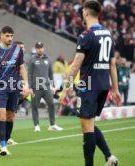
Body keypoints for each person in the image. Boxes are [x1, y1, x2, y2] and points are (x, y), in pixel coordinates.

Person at [59, 1, 121, 166]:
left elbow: (76, 65)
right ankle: (109, 157)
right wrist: (115, 89)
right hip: (103, 85)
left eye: (82, 11)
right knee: (90, 124)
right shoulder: (108, 34)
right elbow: (112, 64)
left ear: (86, 12)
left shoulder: (86, 35)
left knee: (86, 127)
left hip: (89, 85)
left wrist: (65, 90)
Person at [0, 26, 30, 155]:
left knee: (11, 117)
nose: (10, 38)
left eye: (11, 36)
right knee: (2, 114)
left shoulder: (17, 50)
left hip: (14, 87)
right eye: (7, 36)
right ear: (1, 36)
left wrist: (26, 85)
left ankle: (7, 137)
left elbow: (22, 68)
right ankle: (3, 146)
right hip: (0, 88)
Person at [28, 42, 63, 132]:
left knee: (51, 104)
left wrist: (53, 86)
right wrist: (30, 87)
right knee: (35, 106)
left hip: (46, 86)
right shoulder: (32, 59)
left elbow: (50, 73)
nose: (40, 49)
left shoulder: (48, 59)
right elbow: (30, 74)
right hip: (36, 87)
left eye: (41, 47)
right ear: (36, 49)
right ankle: (36, 125)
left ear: (43, 48)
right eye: (38, 48)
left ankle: (52, 124)